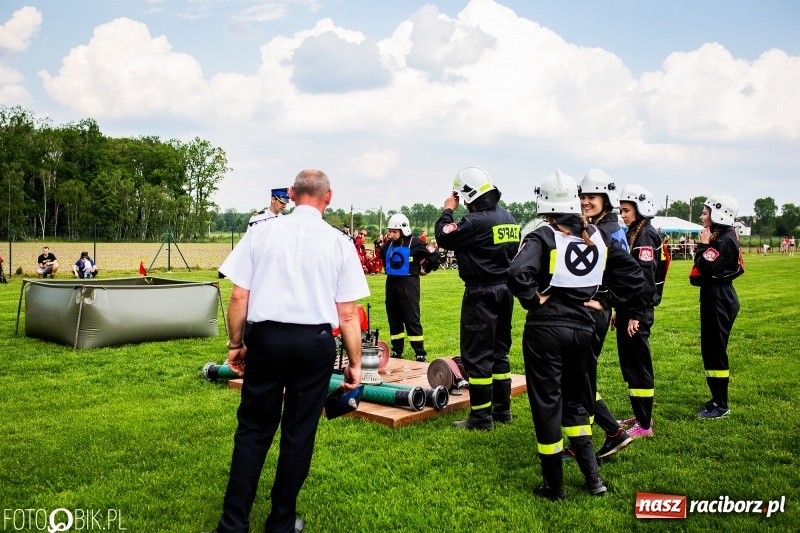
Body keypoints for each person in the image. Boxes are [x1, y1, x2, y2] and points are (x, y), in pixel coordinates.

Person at [208, 170, 370, 533]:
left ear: (293, 194)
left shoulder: (261, 231)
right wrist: (355, 364)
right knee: (299, 433)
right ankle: (281, 523)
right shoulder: (340, 243)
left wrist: (236, 345)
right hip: (314, 344)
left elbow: (238, 295)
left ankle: (233, 524)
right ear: (328, 198)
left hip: (266, 339)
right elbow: (347, 313)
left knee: (253, 429)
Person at [508, 170, 643, 500]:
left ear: (545, 206)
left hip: (545, 330)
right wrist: (606, 301)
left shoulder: (543, 235)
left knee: (547, 405)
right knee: (576, 401)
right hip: (584, 329)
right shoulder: (600, 237)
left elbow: (516, 272)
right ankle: (594, 480)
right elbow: (635, 278)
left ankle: (554, 487)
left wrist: (533, 299)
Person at [435, 166, 519, 430]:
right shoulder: (508, 217)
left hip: (481, 292)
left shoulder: (475, 222)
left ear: (467, 196)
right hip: (505, 289)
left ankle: (481, 417)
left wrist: (448, 209)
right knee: (499, 352)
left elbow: (443, 236)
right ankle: (502, 411)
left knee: (477, 355)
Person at [571, 169, 633, 460]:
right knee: (581, 376)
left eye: (591, 196)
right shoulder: (604, 225)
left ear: (606, 199)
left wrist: (607, 300)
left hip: (592, 311)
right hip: (592, 310)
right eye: (582, 196)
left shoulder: (604, 231)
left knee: (579, 378)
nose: (585, 201)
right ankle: (605, 433)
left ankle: (611, 432)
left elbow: (630, 276)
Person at [614, 184, 665, 439]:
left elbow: (644, 280)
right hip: (629, 309)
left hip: (638, 312)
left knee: (638, 366)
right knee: (630, 366)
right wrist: (620, 309)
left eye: (626, 210)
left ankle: (644, 425)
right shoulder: (636, 231)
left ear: (640, 209)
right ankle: (641, 414)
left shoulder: (645, 235)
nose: (622, 215)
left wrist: (634, 313)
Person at [690, 192, 743, 419]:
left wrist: (702, 246)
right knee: (710, 349)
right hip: (716, 296)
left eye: (705, 213)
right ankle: (716, 397)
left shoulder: (724, 239)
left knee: (715, 351)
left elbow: (705, 268)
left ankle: (722, 404)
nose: (702, 218)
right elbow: (699, 276)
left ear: (718, 214)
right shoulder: (724, 236)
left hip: (719, 299)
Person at [381, 213, 440, 362]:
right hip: (392, 284)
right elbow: (384, 259)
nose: (391, 234)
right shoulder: (387, 246)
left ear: (404, 229)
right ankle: (397, 350)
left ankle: (419, 353)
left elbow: (434, 255)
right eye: (390, 231)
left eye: (394, 231)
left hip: (409, 284)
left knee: (411, 318)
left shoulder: (415, 243)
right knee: (394, 318)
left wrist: (426, 269)